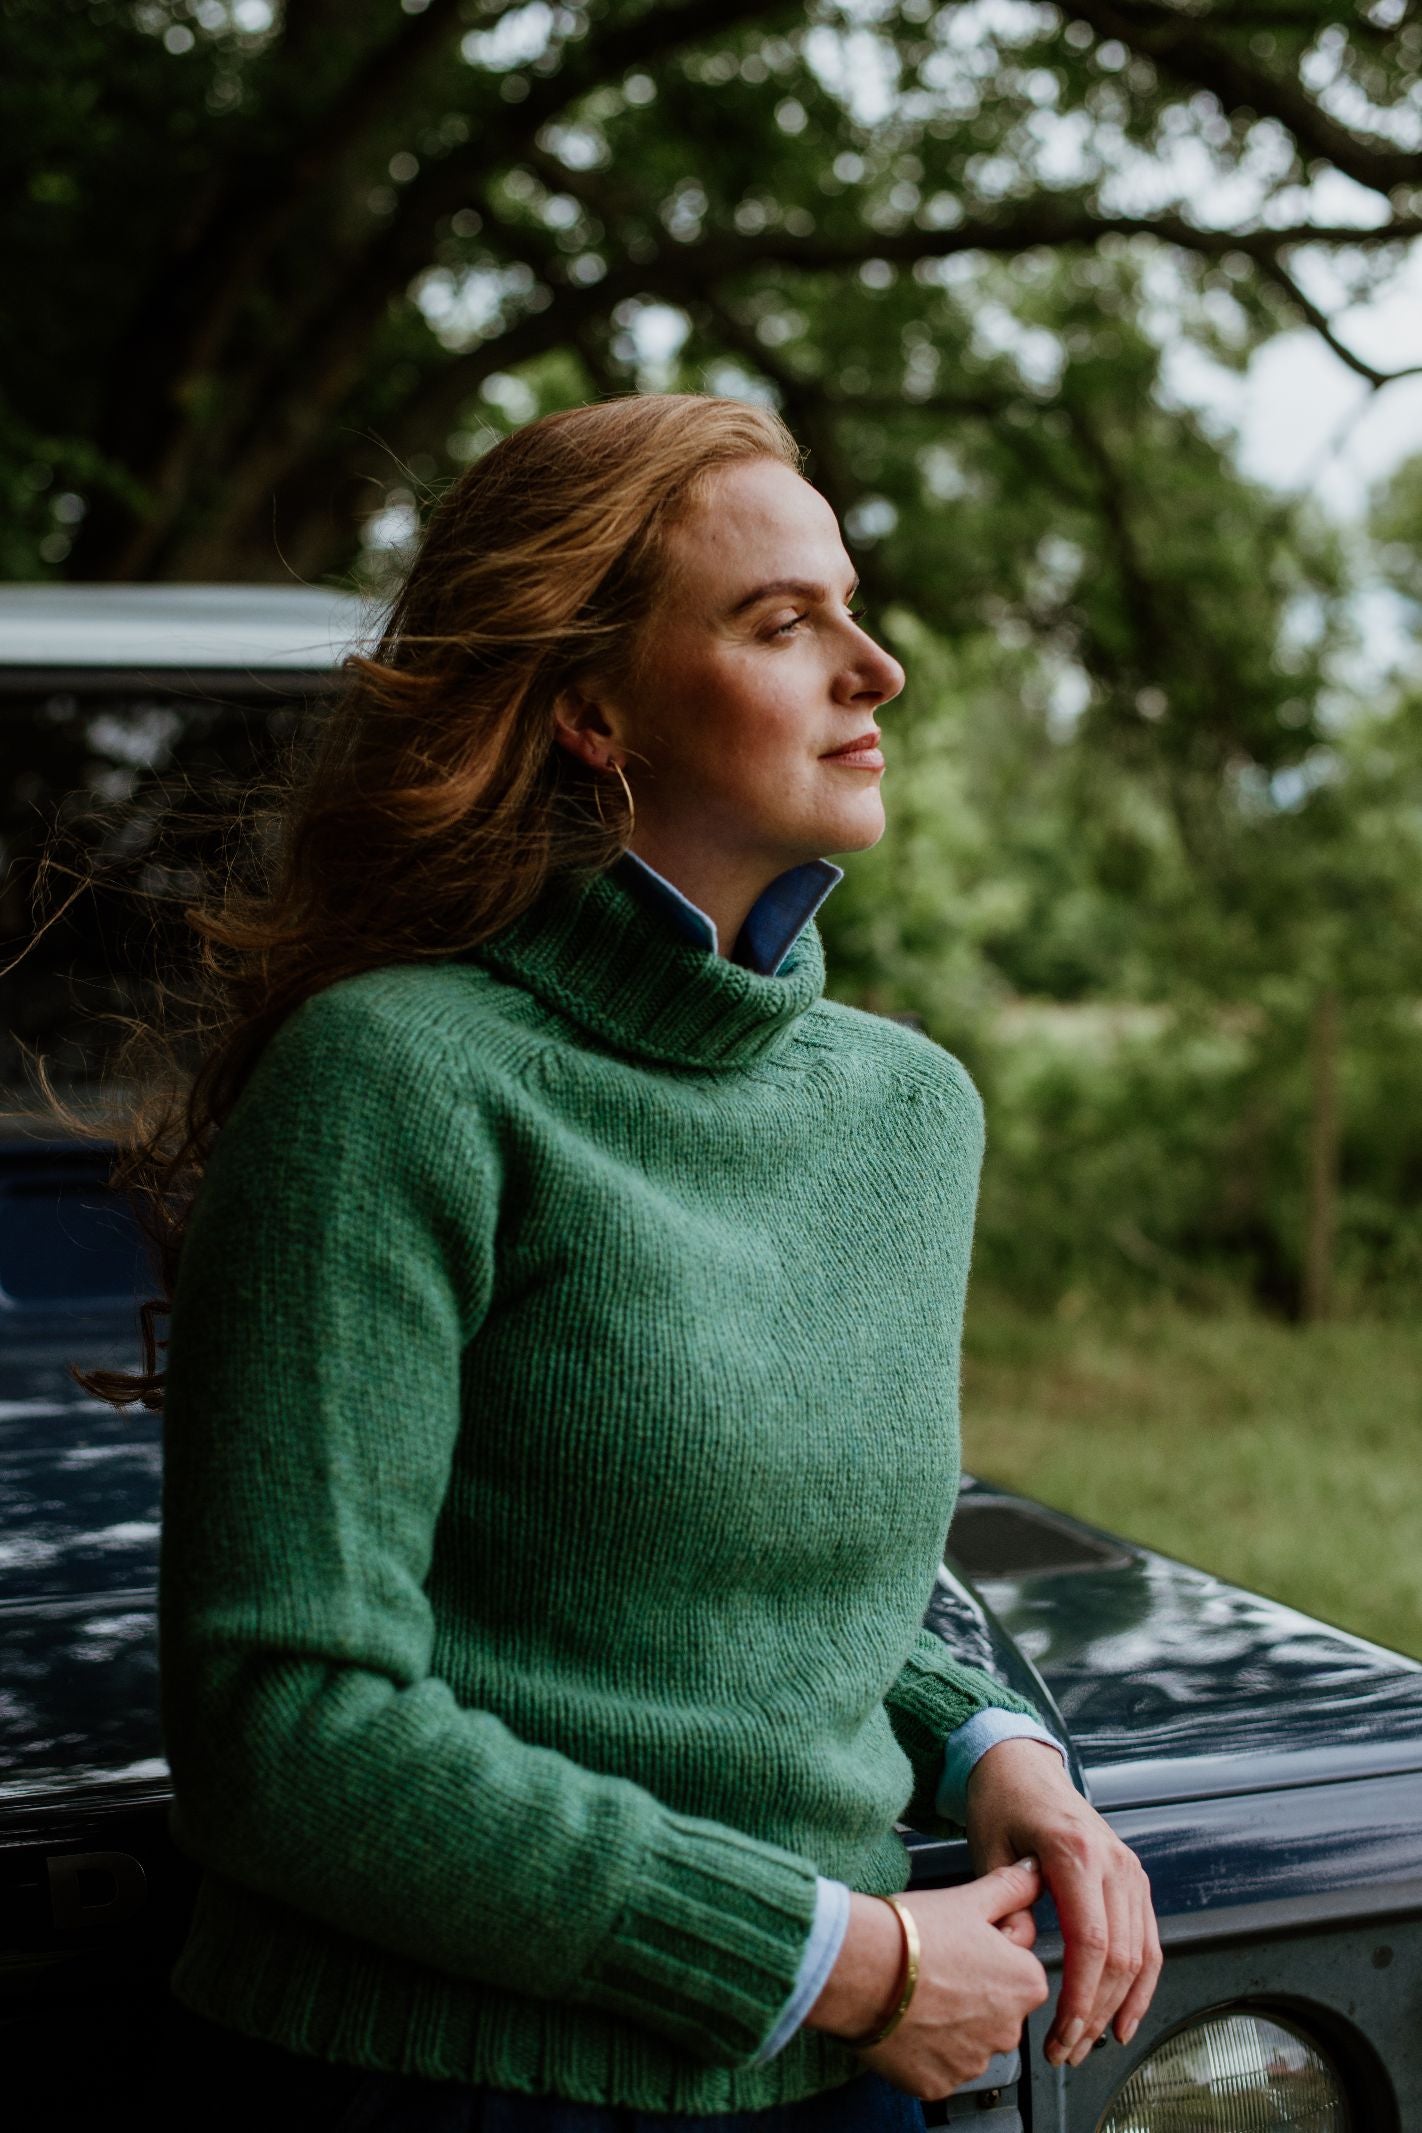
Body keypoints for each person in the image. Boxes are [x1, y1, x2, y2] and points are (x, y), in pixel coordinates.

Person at [120, 392, 1160, 2129]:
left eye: (850, 599)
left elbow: (752, 1595)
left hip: (842, 2077)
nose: (874, 665)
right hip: (440, 2075)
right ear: (592, 711)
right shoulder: (392, 1080)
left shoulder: (906, 1111)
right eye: (781, 621)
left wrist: (1000, 1749)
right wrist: (837, 1957)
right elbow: (282, 1728)